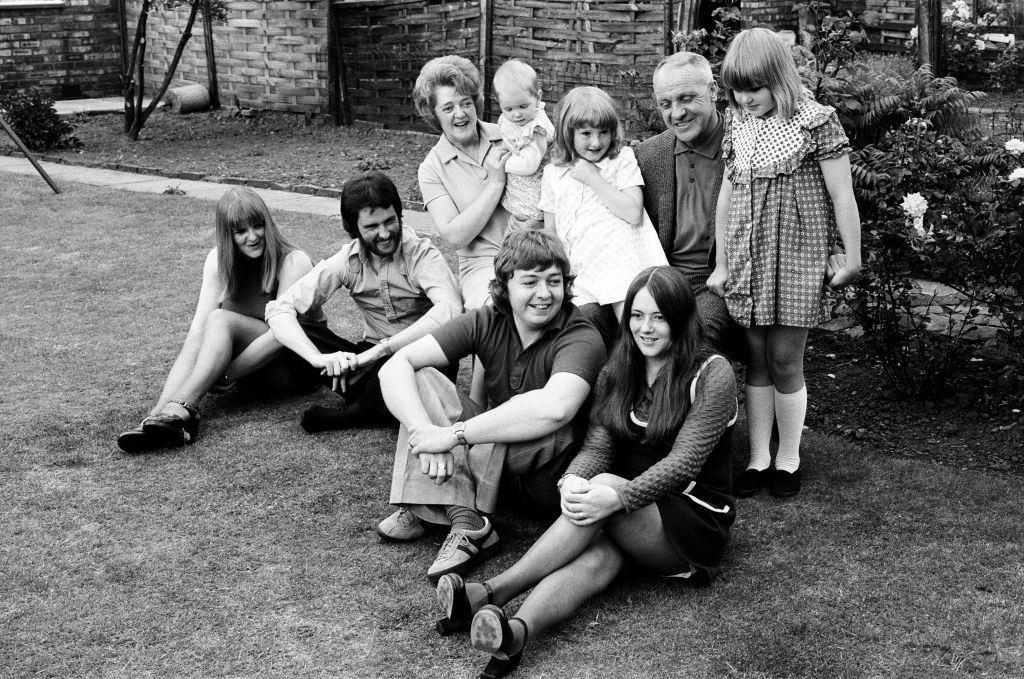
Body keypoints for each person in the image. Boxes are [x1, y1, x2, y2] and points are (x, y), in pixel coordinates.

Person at [432, 267, 737, 679]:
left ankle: (490, 590)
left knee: (605, 488)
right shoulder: (622, 365)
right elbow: (599, 444)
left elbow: (685, 462)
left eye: (659, 317)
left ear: (682, 318)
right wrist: (572, 481)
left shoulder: (712, 373)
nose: (645, 328)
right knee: (596, 561)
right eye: (636, 315)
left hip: (691, 518)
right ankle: (515, 635)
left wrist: (618, 496)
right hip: (628, 516)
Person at [376, 230, 606, 583]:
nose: (545, 294)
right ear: (505, 285)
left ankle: (436, 503)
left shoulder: (581, 335)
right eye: (530, 282)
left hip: (539, 468)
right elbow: (395, 365)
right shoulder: (488, 319)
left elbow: (556, 408)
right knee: (420, 377)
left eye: (554, 281)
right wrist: (425, 432)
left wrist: (452, 436)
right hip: (489, 456)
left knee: (540, 418)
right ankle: (464, 517)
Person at [707, 28, 861, 498]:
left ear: (779, 78)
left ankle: (788, 457)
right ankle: (757, 458)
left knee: (784, 359)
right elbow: (727, 196)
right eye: (737, 89)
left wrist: (852, 256)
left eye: (754, 88)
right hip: (748, 254)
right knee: (755, 358)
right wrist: (722, 262)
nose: (745, 98)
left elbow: (842, 193)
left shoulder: (815, 121)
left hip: (796, 255)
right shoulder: (739, 124)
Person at [116, 187, 330, 453]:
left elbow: (282, 334)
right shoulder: (218, 260)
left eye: (258, 226)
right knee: (205, 328)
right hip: (254, 370)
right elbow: (197, 332)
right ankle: (158, 418)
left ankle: (183, 408)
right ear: (228, 235)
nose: (252, 237)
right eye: (241, 231)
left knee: (220, 320)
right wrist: (157, 411)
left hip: (296, 365)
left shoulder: (293, 260)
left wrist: (228, 373)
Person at [265, 171, 463, 432]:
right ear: (354, 229)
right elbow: (279, 310)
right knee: (300, 329)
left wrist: (380, 351)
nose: (384, 234)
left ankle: (359, 413)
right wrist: (319, 360)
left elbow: (450, 311)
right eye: (371, 227)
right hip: (368, 361)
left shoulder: (422, 255)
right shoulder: (347, 261)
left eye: (390, 221)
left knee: (413, 369)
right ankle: (381, 404)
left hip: (422, 358)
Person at [413, 54, 512, 402]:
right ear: (433, 114)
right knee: (492, 309)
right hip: (481, 263)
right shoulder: (432, 168)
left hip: (528, 249)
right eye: (449, 107)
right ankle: (478, 404)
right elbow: (456, 234)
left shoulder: (507, 135)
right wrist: (496, 183)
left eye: (466, 103)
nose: (460, 114)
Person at [538, 85, 667, 346]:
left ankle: (647, 378)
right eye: (586, 133)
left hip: (623, 263)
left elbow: (633, 213)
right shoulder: (553, 174)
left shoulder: (621, 160)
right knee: (578, 333)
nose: (596, 142)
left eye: (604, 132)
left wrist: (593, 178)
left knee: (636, 329)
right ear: (568, 133)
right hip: (582, 269)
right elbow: (551, 233)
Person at [635, 51, 736, 352]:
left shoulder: (744, 143)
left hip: (719, 283)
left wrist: (831, 247)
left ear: (714, 91)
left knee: (693, 339)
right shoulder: (648, 155)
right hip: (663, 281)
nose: (676, 113)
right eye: (665, 104)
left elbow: (799, 191)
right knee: (589, 321)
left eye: (687, 98)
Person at [493, 59, 556, 231]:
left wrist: (501, 163)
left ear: (538, 97)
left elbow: (528, 165)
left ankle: (535, 229)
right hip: (518, 190)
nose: (517, 114)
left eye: (523, 106)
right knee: (513, 232)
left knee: (525, 234)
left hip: (533, 193)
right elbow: (509, 140)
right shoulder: (511, 120)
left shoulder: (537, 129)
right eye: (509, 109)